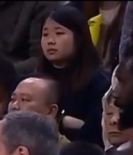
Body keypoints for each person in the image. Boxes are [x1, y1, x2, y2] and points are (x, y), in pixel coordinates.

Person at [39, 6, 111, 145]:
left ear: (79, 38)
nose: (50, 41)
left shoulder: (99, 82)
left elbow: (96, 133)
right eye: (45, 34)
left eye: (59, 33)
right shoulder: (34, 80)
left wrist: (62, 122)